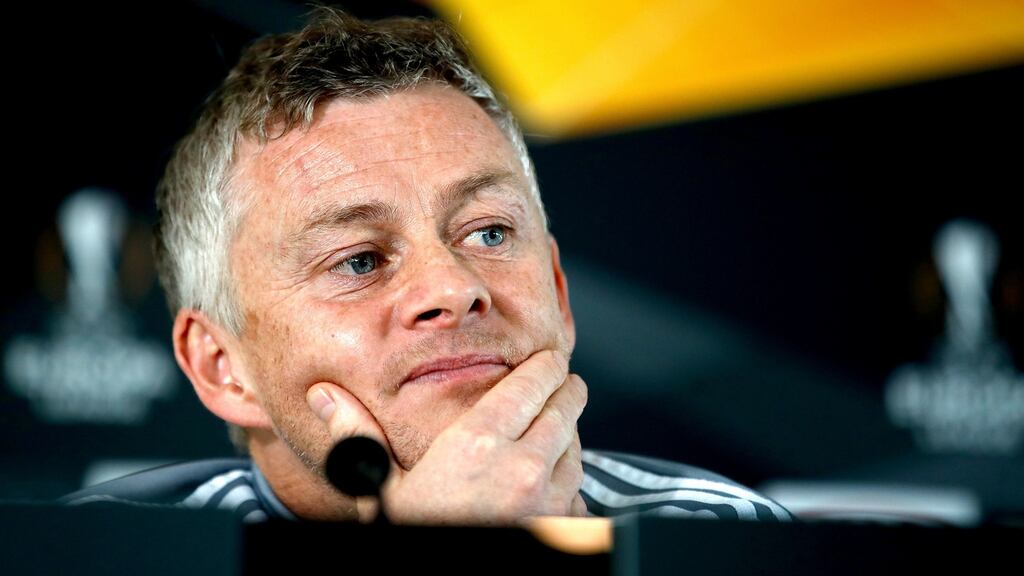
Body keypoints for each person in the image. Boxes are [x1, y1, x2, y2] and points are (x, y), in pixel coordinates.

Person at [62, 7, 789, 524]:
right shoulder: (90, 550)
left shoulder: (721, 534)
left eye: (489, 233)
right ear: (223, 366)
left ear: (560, 295)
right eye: (359, 260)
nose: (454, 288)